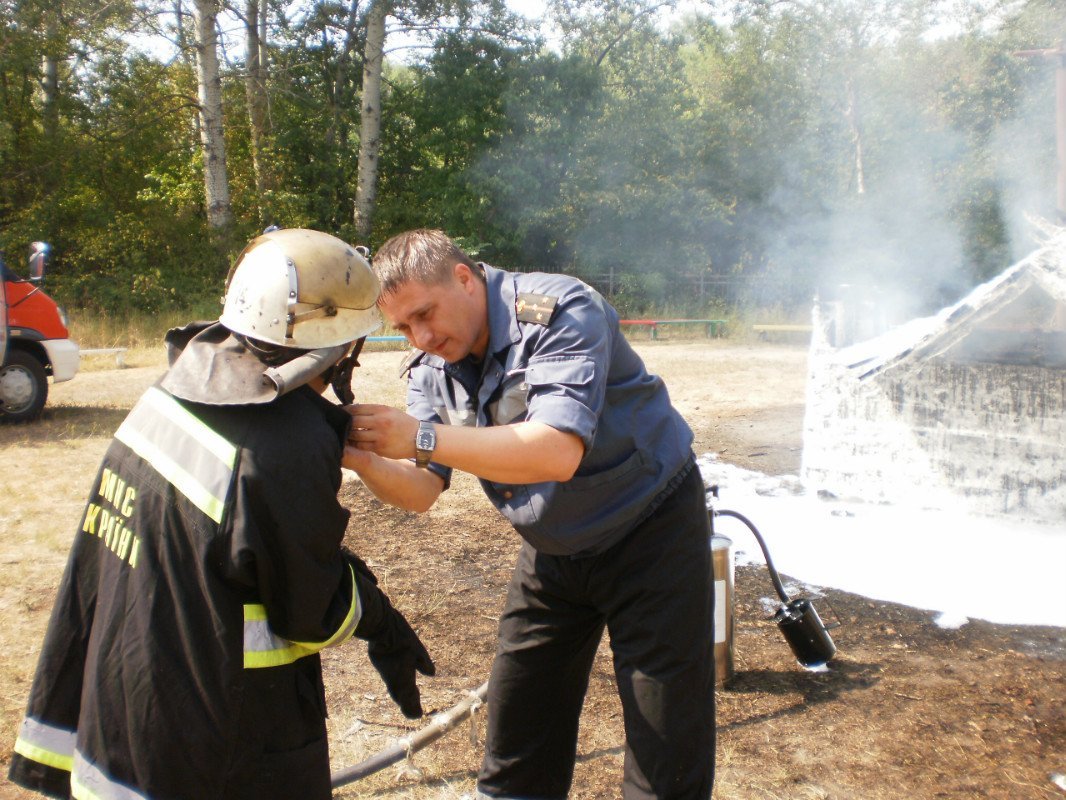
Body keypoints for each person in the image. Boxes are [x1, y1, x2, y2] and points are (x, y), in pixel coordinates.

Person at [8, 228, 435, 800]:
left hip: (121, 705)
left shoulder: (177, 385)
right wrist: (378, 618)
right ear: (340, 347)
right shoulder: (285, 442)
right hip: (220, 742)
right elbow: (309, 608)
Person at [343, 229, 715, 800]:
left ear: (464, 278)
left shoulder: (560, 309)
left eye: (424, 314)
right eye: (403, 328)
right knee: (519, 730)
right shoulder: (431, 362)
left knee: (665, 743)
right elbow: (420, 489)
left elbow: (555, 451)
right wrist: (362, 457)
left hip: (651, 531)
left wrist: (419, 436)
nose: (421, 338)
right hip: (554, 546)